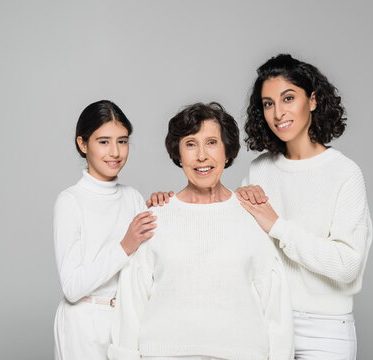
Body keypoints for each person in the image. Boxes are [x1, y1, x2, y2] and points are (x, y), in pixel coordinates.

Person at [109, 102, 293, 360]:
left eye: (211, 143)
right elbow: (130, 304)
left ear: (227, 151)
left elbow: (276, 308)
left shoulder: (252, 217)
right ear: (179, 154)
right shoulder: (155, 218)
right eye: (190, 144)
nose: (202, 156)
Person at [235, 54, 373, 360]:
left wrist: (276, 226)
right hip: (265, 322)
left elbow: (347, 264)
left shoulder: (344, 172)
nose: (278, 112)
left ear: (312, 100)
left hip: (325, 331)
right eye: (268, 103)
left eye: (288, 98)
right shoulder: (259, 171)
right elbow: (240, 250)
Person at [53, 100, 156, 360]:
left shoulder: (132, 197)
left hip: (126, 323)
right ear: (82, 144)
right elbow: (72, 288)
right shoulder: (70, 201)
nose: (115, 152)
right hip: (82, 326)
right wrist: (124, 247)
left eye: (122, 141)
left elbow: (149, 264)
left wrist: (163, 207)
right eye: (103, 141)